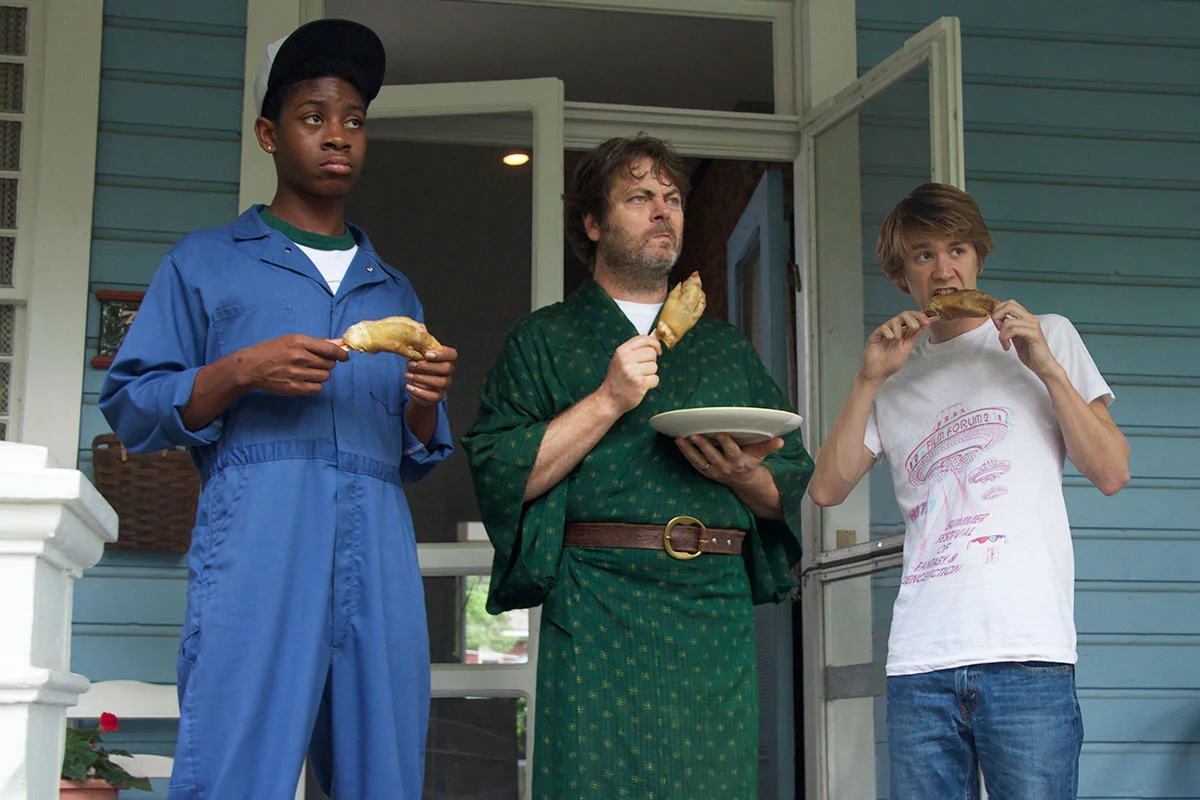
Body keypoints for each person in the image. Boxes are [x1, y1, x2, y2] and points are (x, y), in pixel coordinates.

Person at [99, 19, 456, 800]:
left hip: (379, 550)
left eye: (354, 120)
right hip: (258, 542)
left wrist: (425, 405)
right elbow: (130, 406)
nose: (338, 136)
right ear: (269, 134)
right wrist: (241, 370)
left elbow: (413, 452)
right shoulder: (205, 262)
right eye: (313, 116)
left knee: (385, 773)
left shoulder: (392, 287)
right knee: (237, 770)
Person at [461, 135, 813, 799]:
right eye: (639, 197)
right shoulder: (543, 340)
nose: (663, 212)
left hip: (712, 609)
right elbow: (502, 473)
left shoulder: (725, 348)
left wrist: (742, 476)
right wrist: (607, 399)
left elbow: (786, 489)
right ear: (593, 223)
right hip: (598, 603)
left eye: (672, 199)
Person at [807, 182, 1130, 799]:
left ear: (979, 256)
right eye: (923, 255)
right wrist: (868, 379)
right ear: (902, 277)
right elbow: (827, 487)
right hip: (920, 660)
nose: (944, 269)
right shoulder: (894, 377)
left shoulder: (1048, 336)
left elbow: (1111, 471)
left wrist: (1047, 368)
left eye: (957, 249)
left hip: (1027, 650)